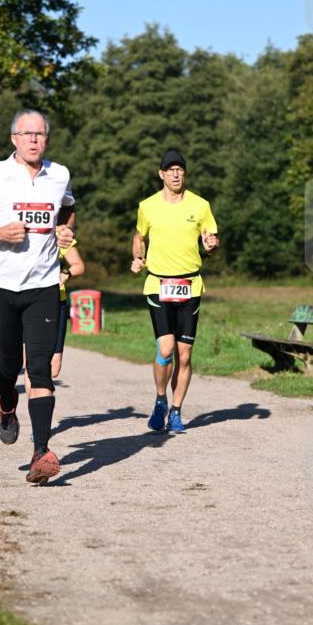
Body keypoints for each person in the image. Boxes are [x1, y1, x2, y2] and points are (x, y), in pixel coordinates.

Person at [0, 108, 76, 485]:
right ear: (14, 139)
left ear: (47, 139)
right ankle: (7, 404)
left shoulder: (60, 174)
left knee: (39, 367)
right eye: (27, 134)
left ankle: (41, 452)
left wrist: (66, 233)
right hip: (2, 287)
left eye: (40, 134)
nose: (34, 140)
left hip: (43, 285)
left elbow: (67, 209)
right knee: (9, 365)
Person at [131, 148, 220, 433]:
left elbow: (211, 238)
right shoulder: (147, 206)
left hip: (190, 285)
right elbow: (139, 235)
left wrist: (211, 245)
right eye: (170, 169)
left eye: (179, 168)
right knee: (165, 349)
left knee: (185, 354)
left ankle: (177, 411)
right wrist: (137, 256)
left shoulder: (201, 205)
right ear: (161, 174)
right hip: (159, 283)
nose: (175, 173)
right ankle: (160, 400)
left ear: (185, 172)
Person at [23, 238, 85, 393]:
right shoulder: (24, 233)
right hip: (29, 300)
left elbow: (79, 265)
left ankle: (41, 399)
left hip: (57, 301)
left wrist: (66, 273)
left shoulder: (59, 235)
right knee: (32, 361)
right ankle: (37, 408)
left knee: (54, 367)